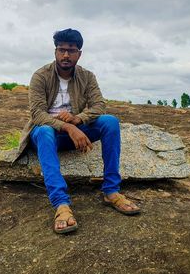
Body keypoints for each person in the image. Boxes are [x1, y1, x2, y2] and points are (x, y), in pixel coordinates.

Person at [15, 28, 140, 234]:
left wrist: (77, 119)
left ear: (79, 54)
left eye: (71, 50)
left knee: (110, 122)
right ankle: (61, 204)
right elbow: (37, 114)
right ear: (55, 51)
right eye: (61, 50)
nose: (66, 55)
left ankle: (111, 191)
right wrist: (68, 126)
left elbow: (99, 105)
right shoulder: (40, 76)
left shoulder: (87, 76)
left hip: (76, 129)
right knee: (44, 131)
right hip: (48, 134)